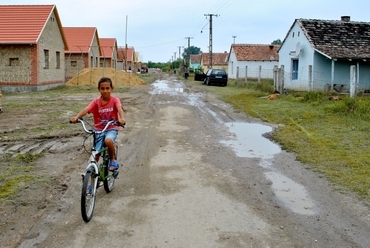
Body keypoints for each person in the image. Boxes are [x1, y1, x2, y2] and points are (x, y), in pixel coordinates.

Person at [70, 77, 125, 171]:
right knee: (96, 152)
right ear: (99, 89)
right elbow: (87, 109)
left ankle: (112, 160)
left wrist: (122, 118)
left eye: (107, 88)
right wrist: (77, 117)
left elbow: (119, 109)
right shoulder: (96, 102)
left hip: (111, 128)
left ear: (112, 88)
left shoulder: (115, 100)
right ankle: (92, 178)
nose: (105, 91)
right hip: (99, 130)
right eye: (102, 88)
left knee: (108, 141)